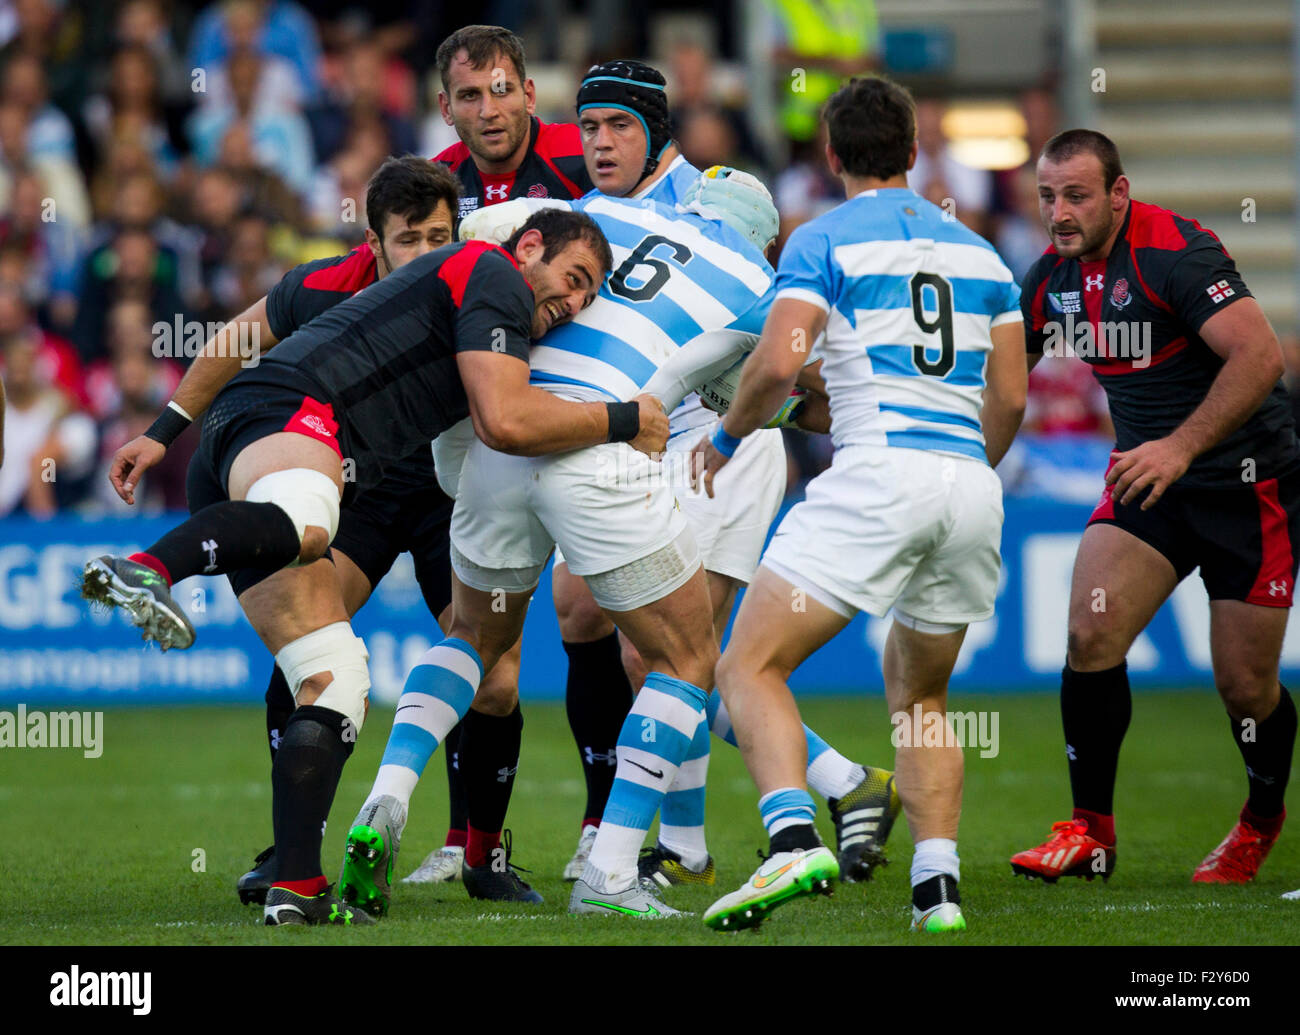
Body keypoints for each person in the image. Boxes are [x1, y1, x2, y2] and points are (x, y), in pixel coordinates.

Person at [82, 206, 667, 926]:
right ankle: (148, 567)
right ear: (531, 246)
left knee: (333, 680)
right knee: (307, 523)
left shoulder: (470, 296)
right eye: (574, 279)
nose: (574, 303)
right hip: (289, 414)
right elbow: (505, 421)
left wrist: (165, 432)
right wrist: (625, 418)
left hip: (256, 442)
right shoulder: (492, 273)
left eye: (588, 297)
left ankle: (295, 885)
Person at [694, 75, 1026, 933]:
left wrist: (727, 438)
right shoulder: (985, 254)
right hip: (970, 486)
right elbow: (1014, 398)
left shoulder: (822, 239)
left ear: (831, 155)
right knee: (921, 702)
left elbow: (774, 365)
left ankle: (791, 836)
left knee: (747, 667)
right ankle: (938, 889)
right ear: (915, 153)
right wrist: (961, 474)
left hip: (878, 476)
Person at [106, 155, 470, 905]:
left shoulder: (482, 273)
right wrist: (163, 429)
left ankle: (341, 870)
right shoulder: (324, 284)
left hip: (417, 480)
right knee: (313, 580)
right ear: (374, 245)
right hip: (314, 453)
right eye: (410, 239)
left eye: (442, 236)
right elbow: (238, 340)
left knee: (395, 670)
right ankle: (150, 568)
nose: (429, 253)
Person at [1009, 129, 1297, 885]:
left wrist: (1178, 445)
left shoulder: (1176, 251)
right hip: (1151, 486)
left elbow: (1260, 356)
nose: (1059, 213)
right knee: (1089, 630)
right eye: (1047, 196)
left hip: (1247, 483)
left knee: (1244, 686)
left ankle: (1261, 818)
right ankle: (1090, 833)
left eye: (1076, 195)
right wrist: (967, 469)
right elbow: (1002, 384)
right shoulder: (1049, 282)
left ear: (1119, 193)